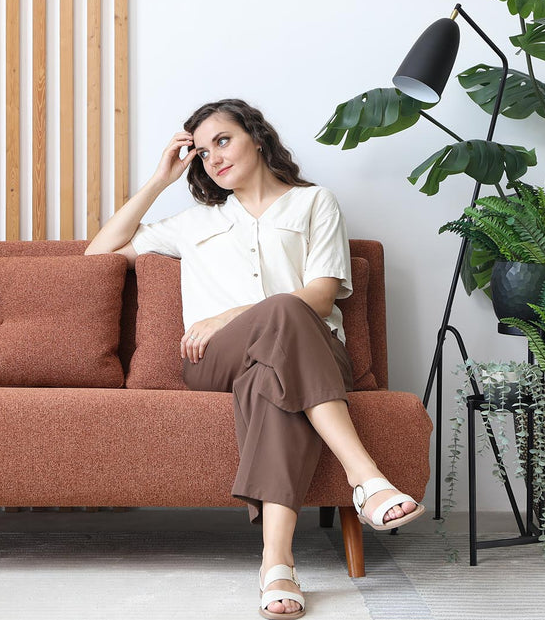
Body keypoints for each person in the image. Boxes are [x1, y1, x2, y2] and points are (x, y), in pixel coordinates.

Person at [84, 99, 424, 619]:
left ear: (257, 138)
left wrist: (231, 314)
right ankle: (367, 480)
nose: (213, 158)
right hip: (214, 362)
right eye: (201, 152)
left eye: (223, 140)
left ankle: (276, 564)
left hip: (314, 354)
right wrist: (159, 181)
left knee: (271, 376)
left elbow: (323, 295)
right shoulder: (194, 221)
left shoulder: (314, 204)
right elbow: (99, 256)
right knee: (281, 318)